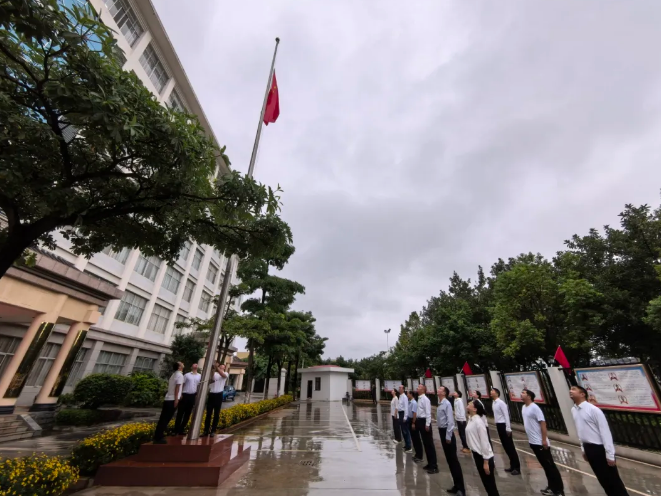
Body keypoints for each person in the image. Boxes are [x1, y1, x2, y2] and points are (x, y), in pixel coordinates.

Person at [570, 386, 629, 496]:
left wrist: (610, 454)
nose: (570, 391)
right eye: (570, 389)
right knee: (603, 480)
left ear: (582, 394)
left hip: (599, 449)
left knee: (613, 480)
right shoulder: (574, 410)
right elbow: (581, 430)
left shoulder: (593, 410)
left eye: (573, 389)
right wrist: (583, 449)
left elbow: (605, 432)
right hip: (589, 448)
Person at [522, 389, 564, 496]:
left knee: (550, 466)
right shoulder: (523, 407)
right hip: (533, 442)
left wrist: (544, 440)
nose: (521, 394)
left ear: (529, 396)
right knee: (545, 466)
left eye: (523, 393)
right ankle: (551, 487)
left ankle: (558, 490)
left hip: (540, 442)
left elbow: (543, 423)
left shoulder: (535, 407)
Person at [466, 399, 499, 496]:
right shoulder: (471, 419)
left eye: (470, 404)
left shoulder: (478, 422)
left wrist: (486, 462)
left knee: (490, 485)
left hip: (484, 457)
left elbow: (485, 442)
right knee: (486, 484)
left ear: (475, 409)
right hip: (477, 455)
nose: (468, 403)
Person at [437, 386, 465, 495]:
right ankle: (456, 485)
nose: (438, 390)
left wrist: (448, 436)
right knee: (449, 460)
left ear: (444, 393)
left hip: (446, 433)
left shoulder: (447, 404)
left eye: (440, 389)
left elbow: (450, 421)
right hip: (442, 431)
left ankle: (461, 489)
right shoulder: (440, 403)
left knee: (453, 460)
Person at [490, 387, 521, 475]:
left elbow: (506, 415)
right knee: (506, 447)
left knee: (510, 447)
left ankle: (517, 467)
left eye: (492, 391)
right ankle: (512, 465)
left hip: (504, 425)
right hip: (499, 425)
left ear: (497, 393)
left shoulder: (501, 403)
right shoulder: (494, 403)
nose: (491, 392)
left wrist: (508, 428)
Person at [153, 361, 184, 444]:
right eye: (181, 363)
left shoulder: (173, 374)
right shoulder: (180, 375)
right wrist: (176, 399)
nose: (182, 364)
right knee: (166, 419)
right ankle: (158, 437)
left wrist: (179, 395)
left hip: (168, 398)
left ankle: (157, 435)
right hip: (172, 399)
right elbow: (177, 388)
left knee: (162, 418)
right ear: (179, 367)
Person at [416, 383, 438, 473]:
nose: (417, 389)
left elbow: (428, 412)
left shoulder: (425, 399)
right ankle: (429, 463)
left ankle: (434, 466)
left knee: (429, 444)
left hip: (425, 421)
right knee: (425, 443)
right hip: (420, 421)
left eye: (419, 388)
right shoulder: (420, 399)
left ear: (423, 390)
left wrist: (427, 424)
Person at [202, 362, 229, 437]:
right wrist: (213, 368)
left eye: (222, 366)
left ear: (224, 367)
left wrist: (217, 368)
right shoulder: (215, 374)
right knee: (208, 414)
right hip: (211, 394)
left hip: (219, 394)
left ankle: (213, 430)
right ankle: (206, 430)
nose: (221, 367)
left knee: (216, 414)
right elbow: (211, 377)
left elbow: (223, 375)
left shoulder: (226, 373)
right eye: (220, 366)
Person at [174, 363, 201, 435]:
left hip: (192, 395)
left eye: (196, 365)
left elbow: (199, 386)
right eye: (194, 365)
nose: (195, 366)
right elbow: (182, 384)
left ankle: (181, 429)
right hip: (185, 395)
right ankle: (175, 430)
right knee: (180, 413)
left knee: (188, 413)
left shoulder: (199, 376)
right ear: (191, 367)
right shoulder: (187, 375)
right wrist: (181, 394)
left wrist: (197, 394)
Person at [408, 390, 424, 463]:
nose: (407, 395)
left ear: (411, 394)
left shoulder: (414, 403)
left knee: (417, 439)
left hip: (413, 420)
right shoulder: (410, 402)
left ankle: (419, 455)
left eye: (408, 393)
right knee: (414, 439)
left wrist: (413, 422)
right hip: (410, 420)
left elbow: (414, 413)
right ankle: (417, 455)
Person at [398, 385, 412, 453]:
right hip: (400, 413)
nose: (399, 389)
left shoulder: (404, 397)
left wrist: (405, 417)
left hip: (403, 414)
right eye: (399, 388)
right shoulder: (400, 396)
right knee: (403, 431)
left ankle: (409, 446)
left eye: (401, 388)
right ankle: (406, 445)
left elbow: (406, 407)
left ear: (403, 389)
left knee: (406, 431)